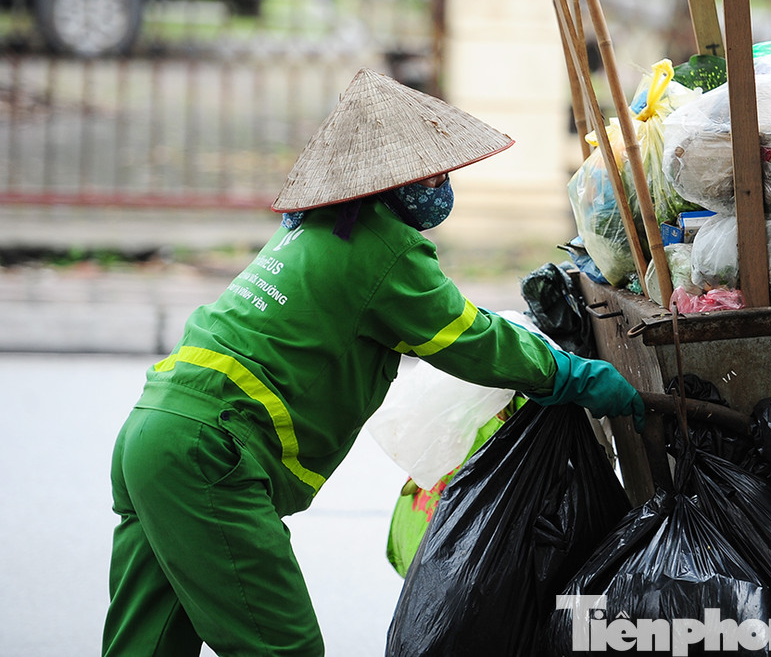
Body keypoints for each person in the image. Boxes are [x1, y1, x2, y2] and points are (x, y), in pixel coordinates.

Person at [102, 67, 645, 657]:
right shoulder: (383, 247)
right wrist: (570, 375)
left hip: (152, 435)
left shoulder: (312, 232)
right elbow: (470, 339)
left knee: (145, 643)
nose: (441, 185)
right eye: (432, 172)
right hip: (210, 454)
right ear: (396, 180)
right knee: (283, 649)